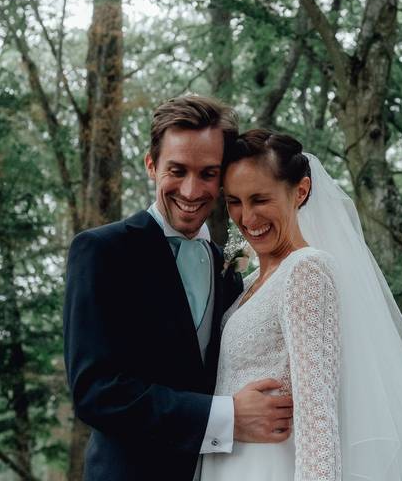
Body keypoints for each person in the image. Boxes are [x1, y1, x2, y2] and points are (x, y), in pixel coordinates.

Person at [202, 129, 402, 481]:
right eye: (234, 201)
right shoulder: (250, 285)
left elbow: (317, 415)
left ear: (301, 191)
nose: (247, 218)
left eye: (260, 199)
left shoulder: (306, 270)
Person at [63, 96, 294, 481]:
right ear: (151, 165)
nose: (191, 191)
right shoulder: (102, 251)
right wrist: (228, 417)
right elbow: (95, 392)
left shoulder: (229, 271)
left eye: (208, 173)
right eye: (177, 170)